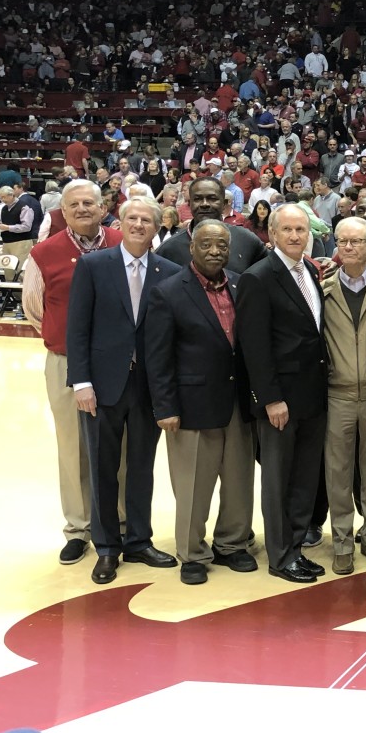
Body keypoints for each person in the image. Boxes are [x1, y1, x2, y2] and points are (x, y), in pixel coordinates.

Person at [66, 196, 181, 584]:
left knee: (142, 468)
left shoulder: (170, 271)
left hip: (148, 386)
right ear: (120, 221)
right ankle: (107, 547)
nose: (138, 225)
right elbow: (77, 329)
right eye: (131, 218)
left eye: (146, 219)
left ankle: (138, 540)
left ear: (156, 227)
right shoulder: (94, 265)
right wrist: (81, 381)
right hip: (101, 385)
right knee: (103, 467)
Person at [146, 221, 256, 586]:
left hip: (238, 402)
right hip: (191, 405)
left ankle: (232, 543)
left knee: (239, 478)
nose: (214, 252)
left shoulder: (242, 284)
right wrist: (165, 408)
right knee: (193, 484)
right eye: (206, 244)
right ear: (191, 246)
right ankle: (192, 552)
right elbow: (157, 357)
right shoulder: (169, 291)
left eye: (221, 246)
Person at [22, 181, 124, 564]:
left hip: (119, 363)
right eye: (74, 204)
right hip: (66, 363)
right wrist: (67, 341)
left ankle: (121, 525)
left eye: (89, 203)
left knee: (123, 445)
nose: (82, 209)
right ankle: (79, 529)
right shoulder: (43, 253)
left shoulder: (122, 240)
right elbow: (35, 310)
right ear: (62, 211)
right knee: (73, 448)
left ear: (103, 208)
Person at [236, 203, 329, 584]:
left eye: (301, 230)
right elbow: (253, 346)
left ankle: (296, 547)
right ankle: (280, 555)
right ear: (272, 234)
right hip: (281, 401)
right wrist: (270, 398)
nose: (295, 236)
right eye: (287, 230)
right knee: (278, 480)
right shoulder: (258, 277)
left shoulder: (308, 270)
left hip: (312, 395)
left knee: (305, 477)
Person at [321, 216, 366, 573]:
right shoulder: (324, 290)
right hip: (338, 394)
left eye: (356, 241)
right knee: (338, 473)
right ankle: (342, 540)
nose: (347, 247)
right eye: (342, 241)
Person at [157, 177, 269, 272]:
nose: (205, 204)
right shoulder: (169, 249)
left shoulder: (246, 240)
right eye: (198, 199)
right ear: (189, 204)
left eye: (212, 198)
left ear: (224, 203)